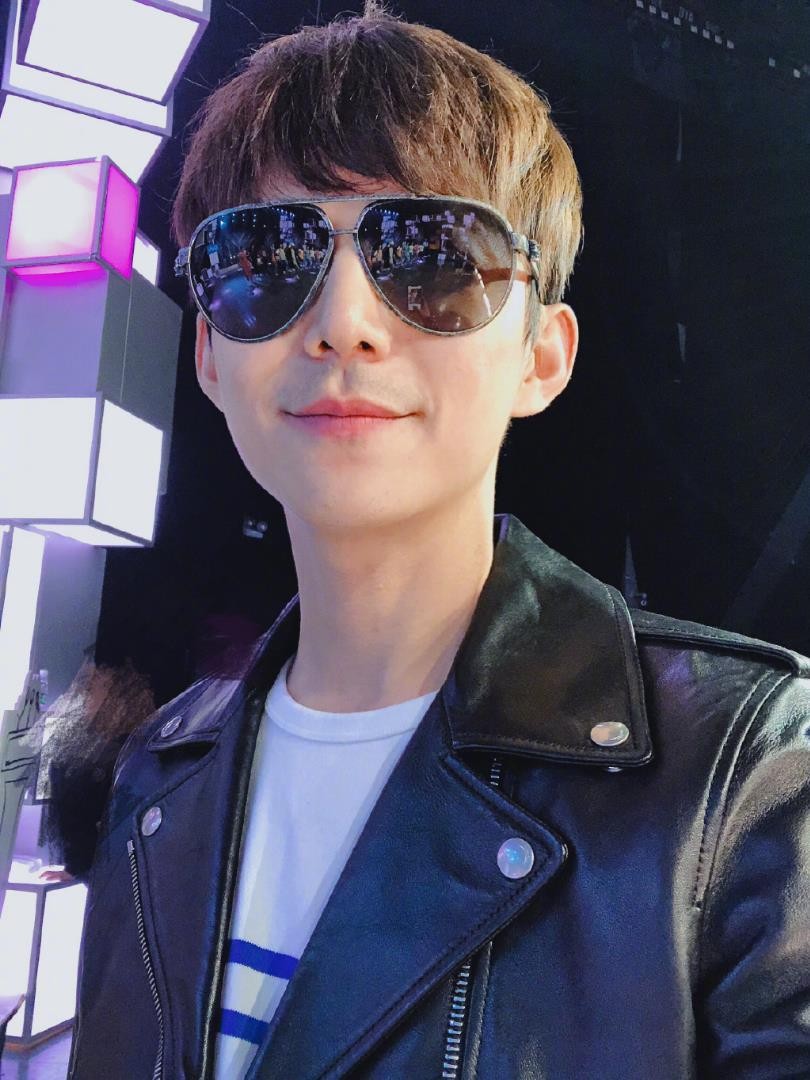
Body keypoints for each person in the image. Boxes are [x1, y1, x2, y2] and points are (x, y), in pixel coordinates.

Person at [67, 4, 810, 1079]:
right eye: (265, 254)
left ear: (542, 358)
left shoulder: (745, 778)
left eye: (433, 257)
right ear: (211, 356)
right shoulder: (158, 778)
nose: (344, 321)